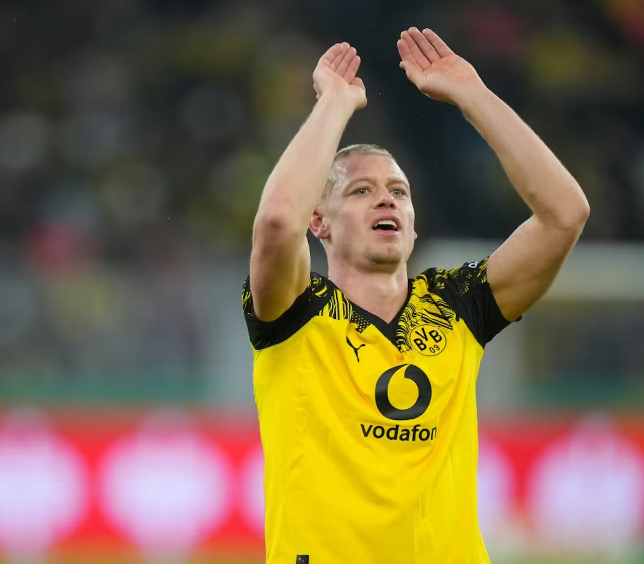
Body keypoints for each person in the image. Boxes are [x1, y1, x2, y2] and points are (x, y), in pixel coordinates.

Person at [242, 27, 589, 563]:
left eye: (398, 192)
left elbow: (565, 214)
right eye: (361, 190)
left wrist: (472, 94)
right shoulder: (295, 310)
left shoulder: (458, 306)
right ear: (320, 222)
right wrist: (334, 103)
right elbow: (276, 221)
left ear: (412, 222)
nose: (387, 200)